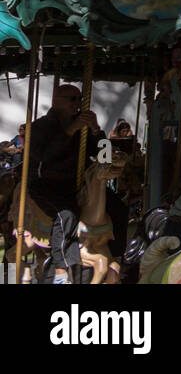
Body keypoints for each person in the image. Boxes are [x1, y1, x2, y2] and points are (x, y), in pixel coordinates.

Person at [27, 84, 126, 284]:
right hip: (47, 184)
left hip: (77, 184)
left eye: (79, 98)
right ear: (57, 100)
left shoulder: (84, 127)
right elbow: (45, 157)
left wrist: (97, 130)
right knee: (67, 215)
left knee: (118, 207)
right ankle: (61, 270)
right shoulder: (40, 127)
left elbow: (103, 154)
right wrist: (70, 130)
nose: (78, 103)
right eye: (72, 99)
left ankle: (116, 257)